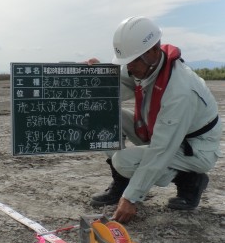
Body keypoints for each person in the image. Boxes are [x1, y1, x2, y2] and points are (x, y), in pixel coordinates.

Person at [88, 16, 222, 223]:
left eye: (132, 61)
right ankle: (121, 182)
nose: (129, 68)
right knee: (105, 114)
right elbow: (116, 87)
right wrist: (96, 75)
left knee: (123, 161)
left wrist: (131, 198)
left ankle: (190, 180)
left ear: (152, 51)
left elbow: (161, 150)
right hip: (161, 131)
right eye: (126, 62)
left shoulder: (180, 90)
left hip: (194, 148)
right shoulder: (145, 66)